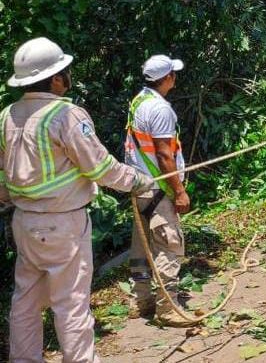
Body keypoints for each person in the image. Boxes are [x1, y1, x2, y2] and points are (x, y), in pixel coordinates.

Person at [0, 37, 152, 363]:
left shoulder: (7, 116)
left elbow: (3, 176)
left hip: (24, 222)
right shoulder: (66, 115)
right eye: (65, 71)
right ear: (56, 79)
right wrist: (138, 180)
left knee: (25, 302)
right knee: (70, 303)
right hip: (63, 223)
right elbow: (100, 167)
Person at [125, 54, 193, 327]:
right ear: (167, 78)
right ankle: (167, 307)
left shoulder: (138, 101)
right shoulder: (161, 109)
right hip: (158, 186)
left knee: (141, 246)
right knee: (169, 245)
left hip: (138, 185)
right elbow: (165, 155)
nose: (175, 78)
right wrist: (178, 191)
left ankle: (141, 301)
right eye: (173, 74)